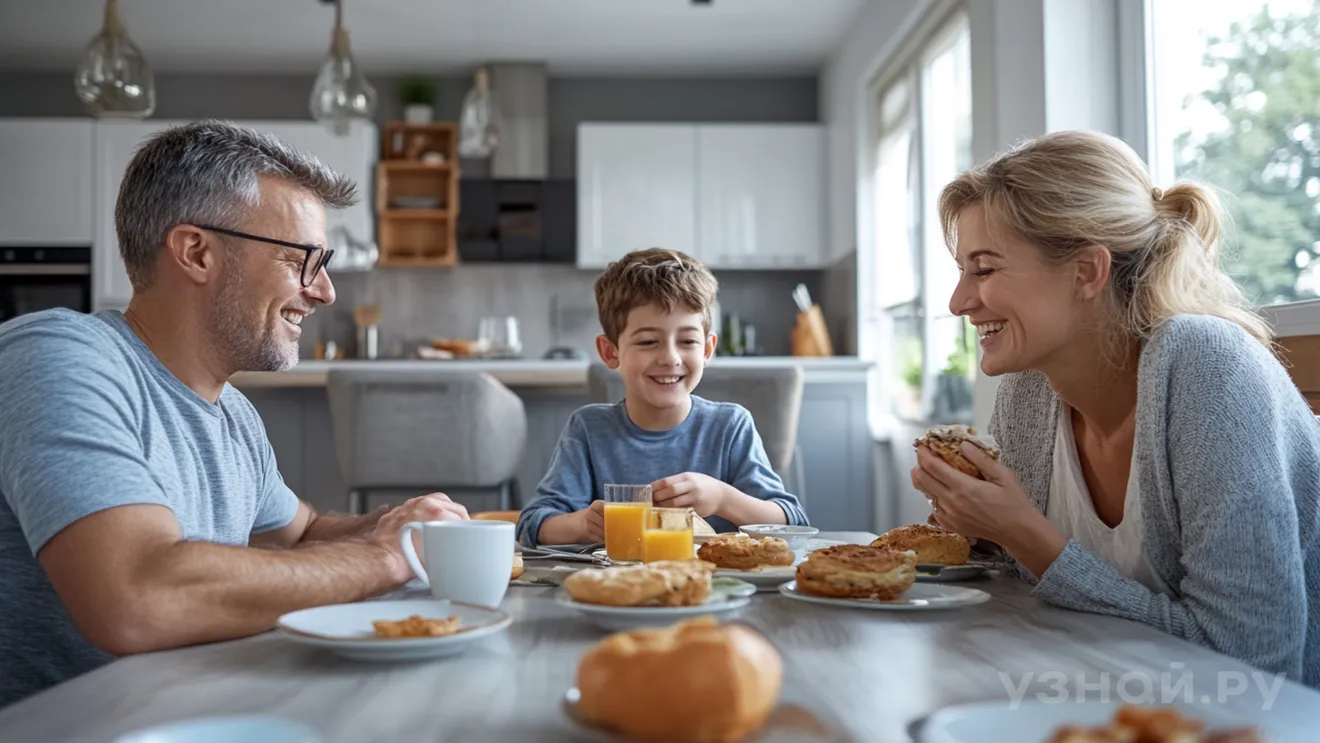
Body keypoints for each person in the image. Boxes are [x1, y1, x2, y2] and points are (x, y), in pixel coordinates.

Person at [0, 120, 469, 708]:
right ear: (196, 251)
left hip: (192, 710)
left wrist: (407, 525)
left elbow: (300, 533)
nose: (324, 291)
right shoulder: (58, 354)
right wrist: (385, 556)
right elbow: (137, 595)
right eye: (304, 258)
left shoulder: (234, 414)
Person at [910, 130, 1320, 686]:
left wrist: (1027, 537)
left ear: (1087, 272)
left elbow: (1248, 660)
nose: (959, 301)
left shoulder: (1207, 366)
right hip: (1107, 693)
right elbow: (1029, 596)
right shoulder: (1030, 390)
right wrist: (979, 535)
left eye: (983, 269)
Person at [516, 248, 808, 546]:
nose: (670, 358)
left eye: (687, 341)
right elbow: (532, 524)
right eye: (648, 341)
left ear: (707, 350)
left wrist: (723, 498)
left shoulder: (730, 426)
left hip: (713, 588)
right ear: (610, 351)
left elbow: (793, 523)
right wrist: (582, 524)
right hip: (618, 587)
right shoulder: (589, 429)